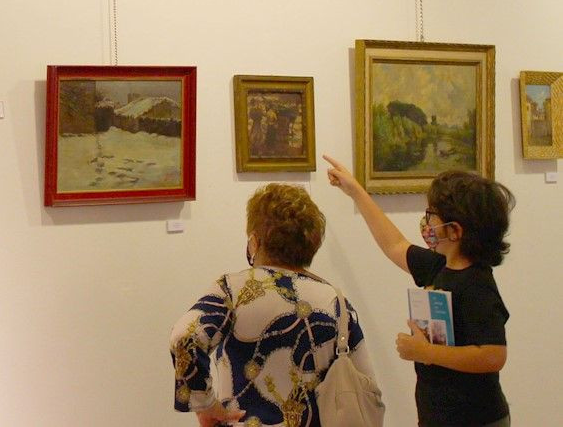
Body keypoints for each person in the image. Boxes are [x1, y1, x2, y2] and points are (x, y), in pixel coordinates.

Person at [323, 155, 513, 427]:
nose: (426, 223)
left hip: (476, 419)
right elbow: (395, 245)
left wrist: (426, 353)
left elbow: (493, 355)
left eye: (431, 215)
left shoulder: (477, 284)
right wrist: (356, 191)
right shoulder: (439, 266)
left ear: (455, 231)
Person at [170, 183, 378, 427]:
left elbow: (184, 337)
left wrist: (205, 404)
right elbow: (367, 385)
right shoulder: (337, 303)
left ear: (254, 241)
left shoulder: (232, 292)